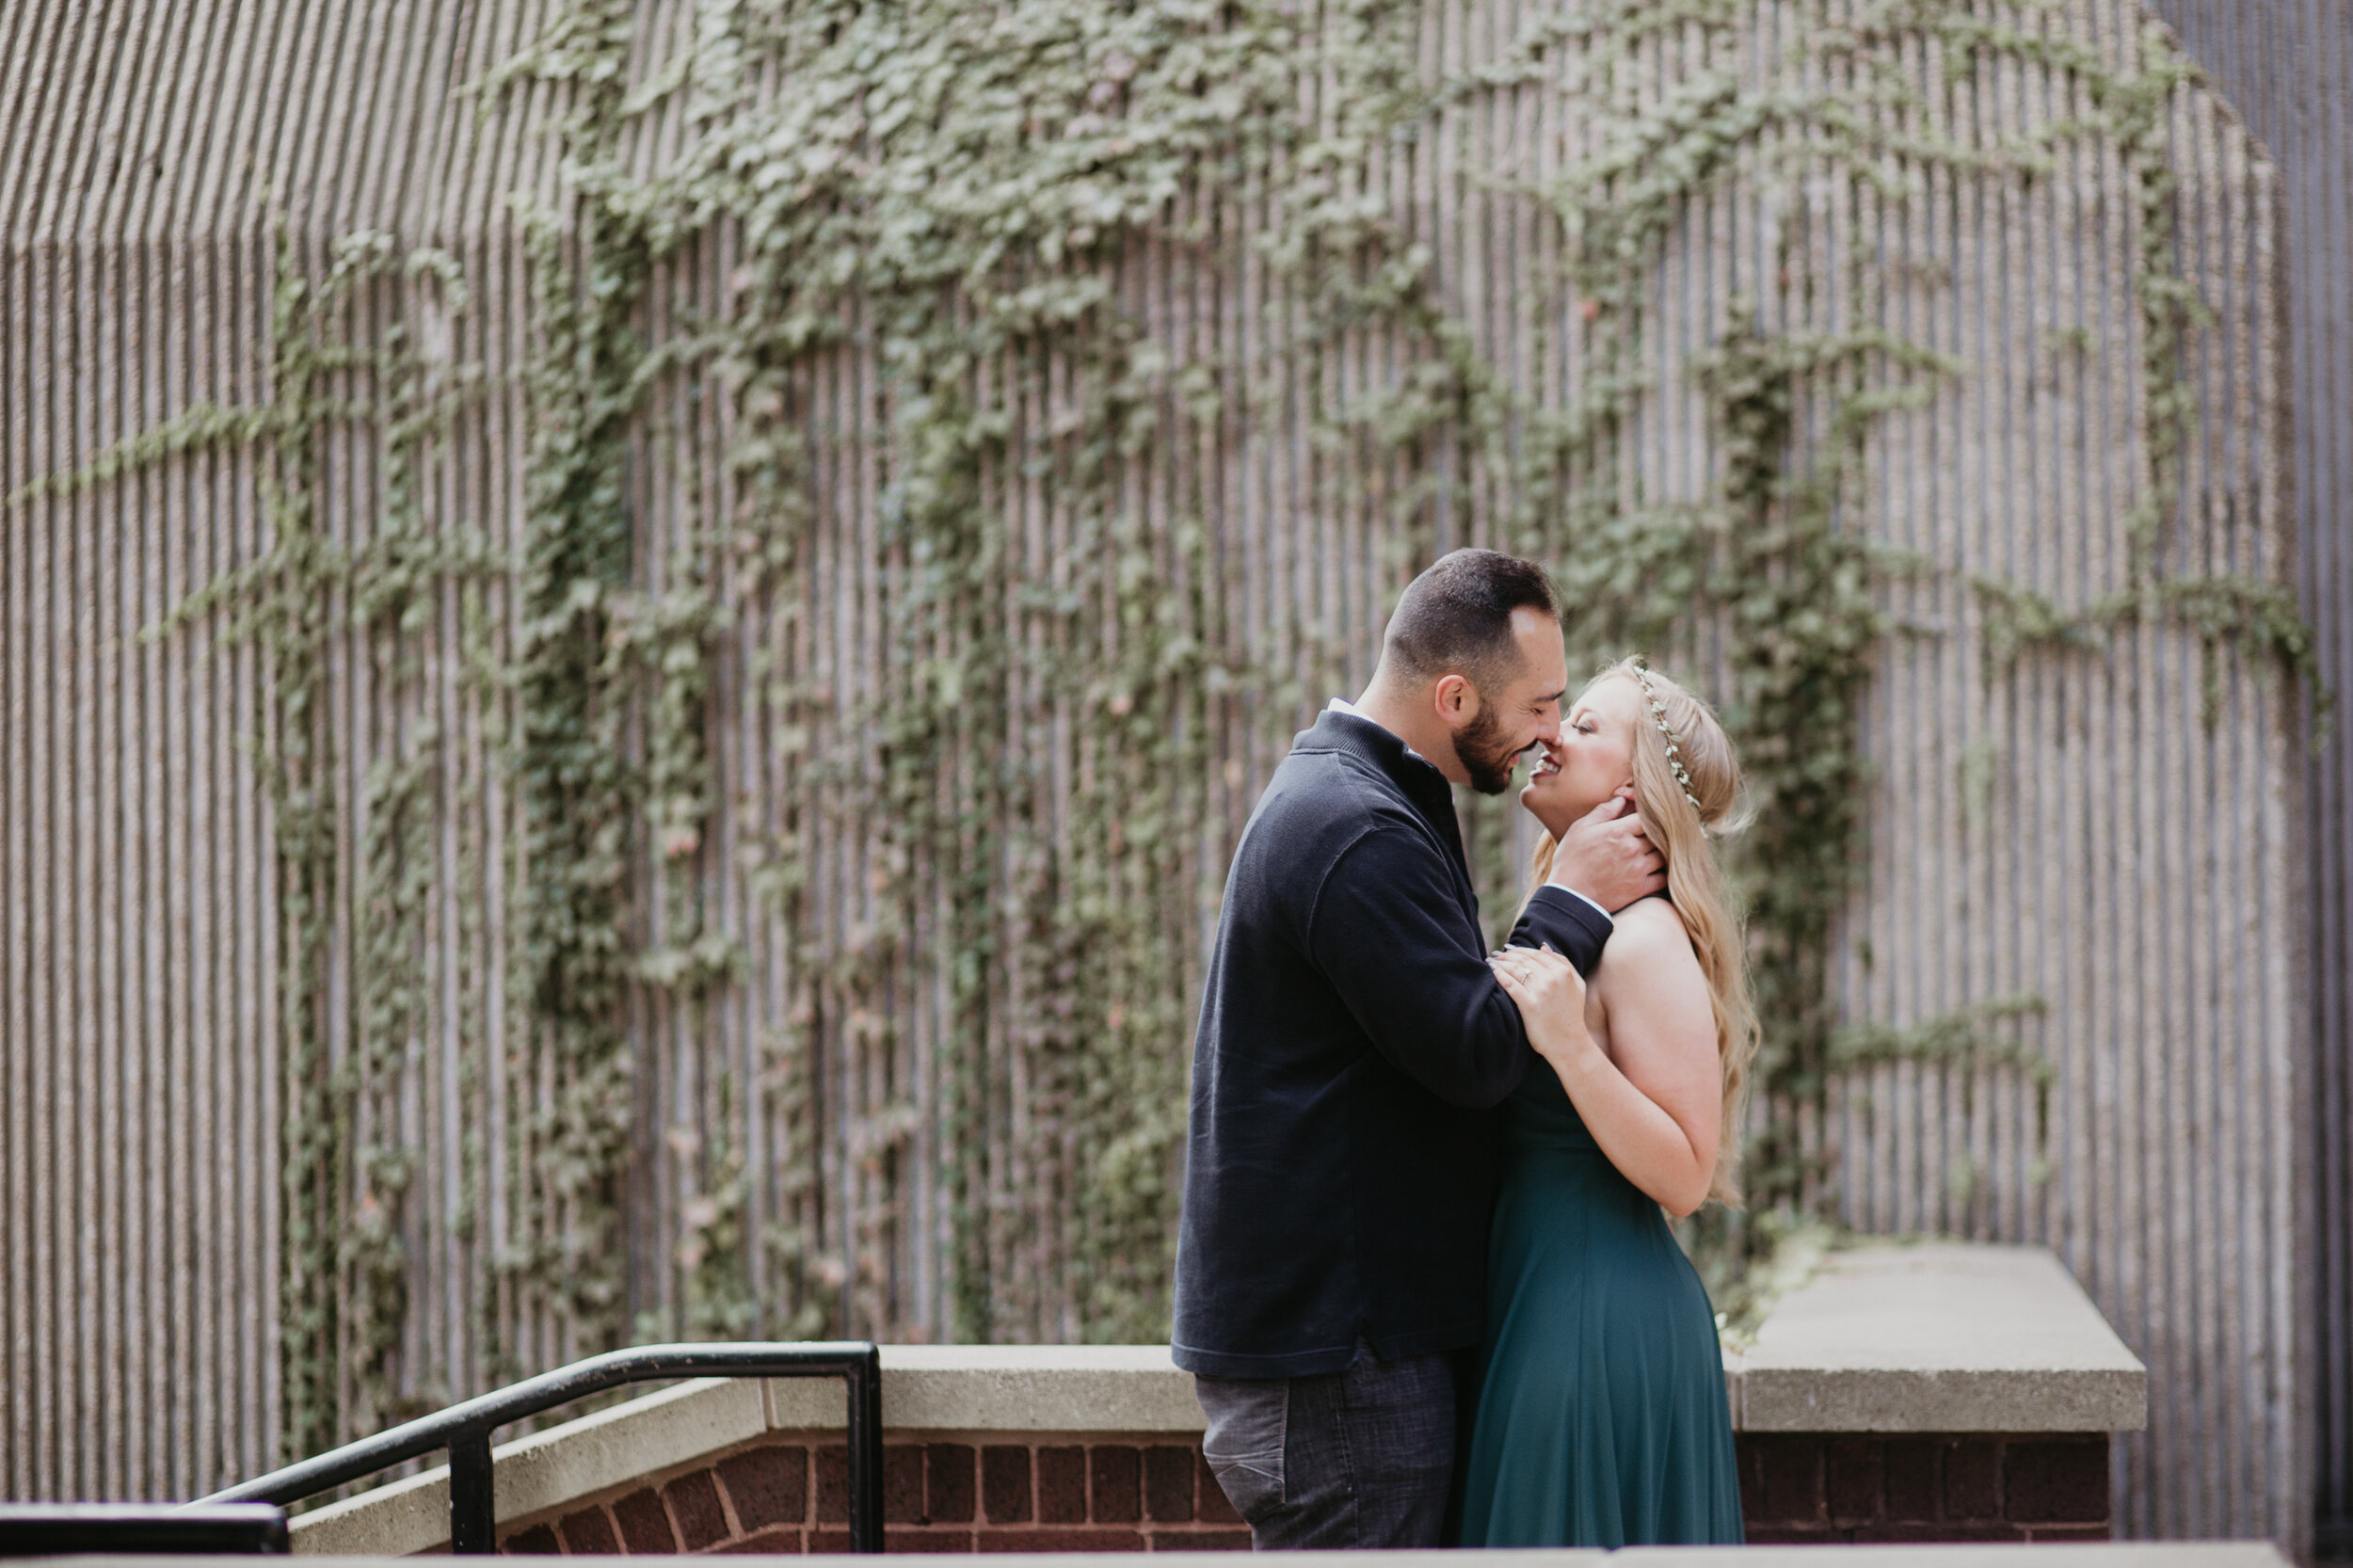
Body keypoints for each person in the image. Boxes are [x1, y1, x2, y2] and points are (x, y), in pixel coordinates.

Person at [1170, 550, 1666, 1549]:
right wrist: (1568, 896)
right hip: (1339, 1367)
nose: (1543, 735)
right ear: (1452, 696)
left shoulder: (1373, 795)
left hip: (1347, 1356)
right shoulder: (1355, 826)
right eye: (1538, 705)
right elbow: (1475, 1053)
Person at [1459, 656, 1754, 1546]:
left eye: (1585, 726)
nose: (1551, 735)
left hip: (1593, 1325)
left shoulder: (1644, 940)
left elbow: (1686, 1171)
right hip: (1538, 1301)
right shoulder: (1584, 921)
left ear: (1636, 793)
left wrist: (1570, 1047)